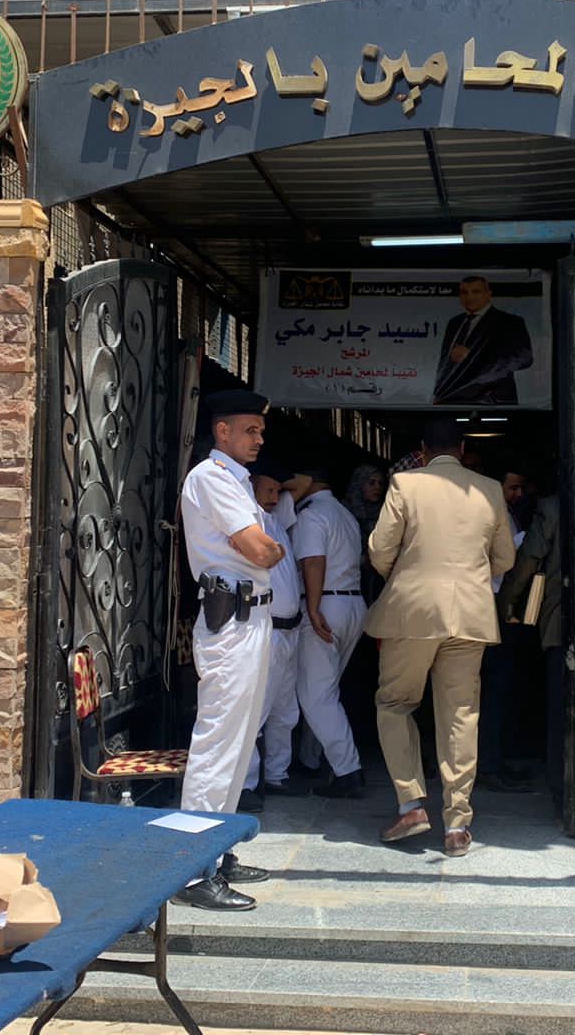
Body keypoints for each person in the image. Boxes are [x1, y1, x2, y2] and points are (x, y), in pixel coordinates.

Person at [369, 418, 515, 856]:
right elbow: (505, 558)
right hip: (470, 614)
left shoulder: (405, 484)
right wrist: (471, 578)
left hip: (412, 612)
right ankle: (456, 825)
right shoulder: (489, 489)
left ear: (422, 449)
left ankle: (411, 804)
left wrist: (405, 578)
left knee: (395, 703)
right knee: (460, 714)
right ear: (463, 448)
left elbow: (380, 549)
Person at [174, 390, 283, 911]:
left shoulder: (236, 480)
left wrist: (264, 550)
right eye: (250, 430)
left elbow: (260, 550)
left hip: (252, 616)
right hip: (232, 620)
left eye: (261, 432)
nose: (258, 439)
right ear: (222, 431)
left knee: (239, 743)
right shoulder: (212, 477)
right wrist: (268, 549)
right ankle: (194, 869)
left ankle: (218, 849)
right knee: (218, 743)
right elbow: (263, 550)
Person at [238, 458, 311, 813]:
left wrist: (278, 483)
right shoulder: (248, 519)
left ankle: (277, 774)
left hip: (290, 630)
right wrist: (253, 485)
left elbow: (303, 482)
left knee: (285, 710)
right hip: (266, 630)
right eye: (268, 490)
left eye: (278, 491)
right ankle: (246, 784)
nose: (274, 496)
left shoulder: (278, 518)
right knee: (256, 712)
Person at [292, 464, 368, 798]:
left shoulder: (311, 514)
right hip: (352, 604)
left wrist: (312, 607)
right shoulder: (345, 513)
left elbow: (313, 561)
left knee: (316, 695)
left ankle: (348, 771)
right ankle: (310, 759)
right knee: (325, 689)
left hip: (324, 604)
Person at [498, 483, 564, 814]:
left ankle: (562, 789)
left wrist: (507, 602)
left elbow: (529, 559)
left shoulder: (551, 507)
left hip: (561, 620)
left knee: (558, 701)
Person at [480, 466, 533, 792]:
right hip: (488, 609)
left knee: (501, 688)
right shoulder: (486, 516)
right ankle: (488, 764)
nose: (519, 494)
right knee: (493, 689)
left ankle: (495, 760)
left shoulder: (505, 514)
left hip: (500, 610)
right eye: (513, 487)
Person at [431, 275, 533, 406]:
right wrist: (438, 392)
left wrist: (472, 357)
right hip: (453, 399)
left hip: (493, 400)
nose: (469, 297)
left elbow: (524, 359)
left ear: (488, 294)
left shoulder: (510, 321)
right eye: (464, 292)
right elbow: (445, 362)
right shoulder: (454, 322)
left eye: (476, 292)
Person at [343, 464, 387, 603]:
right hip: (349, 583)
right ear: (360, 483)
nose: (377, 488)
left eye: (380, 483)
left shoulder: (386, 514)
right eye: (371, 483)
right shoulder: (345, 512)